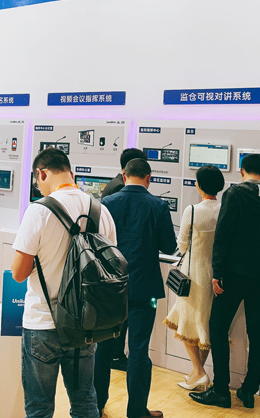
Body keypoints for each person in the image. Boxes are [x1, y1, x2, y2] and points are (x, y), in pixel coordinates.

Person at [11, 148, 117, 418]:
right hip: (86, 322)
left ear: (41, 173)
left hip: (43, 323)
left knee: (39, 407)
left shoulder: (38, 211)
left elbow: (18, 273)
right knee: (85, 402)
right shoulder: (101, 210)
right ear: (71, 172)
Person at [190, 153, 260, 409]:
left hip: (233, 274)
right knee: (256, 331)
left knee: (217, 326)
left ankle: (221, 390)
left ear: (242, 172)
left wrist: (217, 271)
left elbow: (223, 233)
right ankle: (249, 390)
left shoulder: (234, 194)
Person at [94, 158, 176, 418]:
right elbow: (169, 246)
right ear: (149, 178)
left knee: (103, 348)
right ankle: (137, 410)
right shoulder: (158, 206)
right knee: (139, 349)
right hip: (145, 289)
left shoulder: (107, 203)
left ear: (124, 175)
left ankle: (96, 405)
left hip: (110, 287)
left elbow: (96, 242)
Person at [164, 165, 225, 392]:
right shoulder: (224, 210)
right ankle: (197, 372)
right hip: (215, 273)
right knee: (205, 324)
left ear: (199, 185)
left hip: (193, 272)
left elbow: (182, 245)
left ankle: (199, 372)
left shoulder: (192, 210)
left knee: (188, 321)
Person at [100, 147, 146, 371]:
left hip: (114, 264)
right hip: (123, 265)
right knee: (121, 318)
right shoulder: (120, 189)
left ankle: (114, 356)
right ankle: (116, 356)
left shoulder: (114, 184)